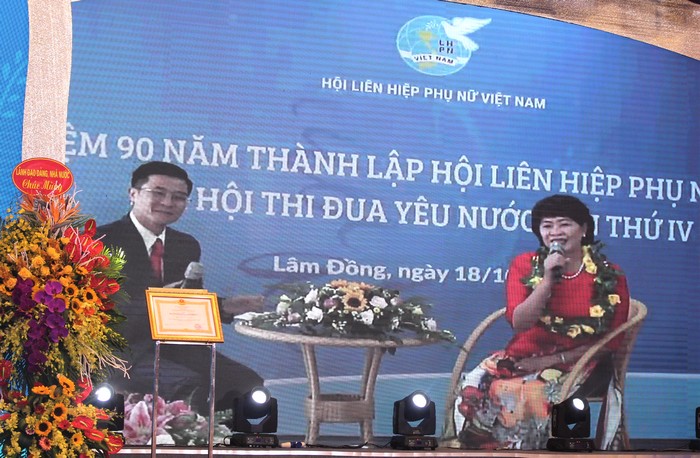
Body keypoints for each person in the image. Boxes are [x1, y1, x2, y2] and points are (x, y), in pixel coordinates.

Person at [448, 195, 630, 450]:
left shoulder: (609, 275)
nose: (555, 232)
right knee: (476, 385)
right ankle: (483, 451)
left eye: (564, 224)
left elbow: (611, 342)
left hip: (580, 361)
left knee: (530, 391)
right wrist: (547, 280)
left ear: (584, 229)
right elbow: (520, 323)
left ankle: (530, 451)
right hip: (524, 355)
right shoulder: (525, 265)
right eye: (547, 225)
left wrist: (549, 361)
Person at [97, 161, 264, 418]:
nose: (168, 202)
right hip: (121, 349)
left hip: (175, 348)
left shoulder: (185, 245)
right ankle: (177, 438)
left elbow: (184, 305)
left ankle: (217, 437)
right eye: (158, 193)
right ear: (133, 194)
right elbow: (101, 309)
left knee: (246, 383)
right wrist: (162, 298)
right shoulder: (101, 240)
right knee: (189, 385)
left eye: (178, 197)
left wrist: (225, 306)